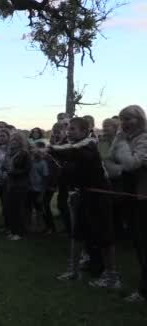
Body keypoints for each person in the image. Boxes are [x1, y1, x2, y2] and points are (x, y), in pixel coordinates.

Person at [51, 117, 120, 289]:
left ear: (85, 131)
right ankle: (74, 271)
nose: (69, 132)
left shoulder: (88, 144)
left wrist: (49, 149)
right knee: (78, 234)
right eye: (68, 129)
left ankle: (112, 277)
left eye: (73, 129)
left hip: (98, 198)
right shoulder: (74, 146)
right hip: (82, 196)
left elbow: (71, 153)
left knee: (104, 236)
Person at [107, 105, 147, 302]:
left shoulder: (144, 139)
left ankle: (143, 291)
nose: (124, 123)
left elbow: (132, 164)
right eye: (122, 119)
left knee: (143, 244)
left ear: (140, 119)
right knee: (138, 243)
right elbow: (110, 162)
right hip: (130, 196)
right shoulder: (126, 139)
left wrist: (122, 146)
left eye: (129, 118)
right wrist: (119, 141)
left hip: (143, 198)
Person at [2, 132, 31, 241]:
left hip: (20, 185)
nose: (13, 141)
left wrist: (12, 172)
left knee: (19, 209)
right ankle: (13, 231)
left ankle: (20, 232)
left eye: (16, 139)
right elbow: (5, 166)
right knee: (11, 208)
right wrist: (4, 172)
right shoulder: (9, 153)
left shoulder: (24, 153)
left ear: (20, 141)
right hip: (10, 184)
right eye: (12, 139)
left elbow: (27, 169)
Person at [27, 142, 52, 233]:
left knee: (39, 209)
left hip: (38, 190)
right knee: (29, 208)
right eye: (30, 148)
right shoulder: (29, 161)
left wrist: (42, 194)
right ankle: (30, 226)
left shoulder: (42, 163)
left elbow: (45, 179)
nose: (31, 150)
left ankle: (41, 226)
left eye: (33, 148)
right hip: (29, 189)